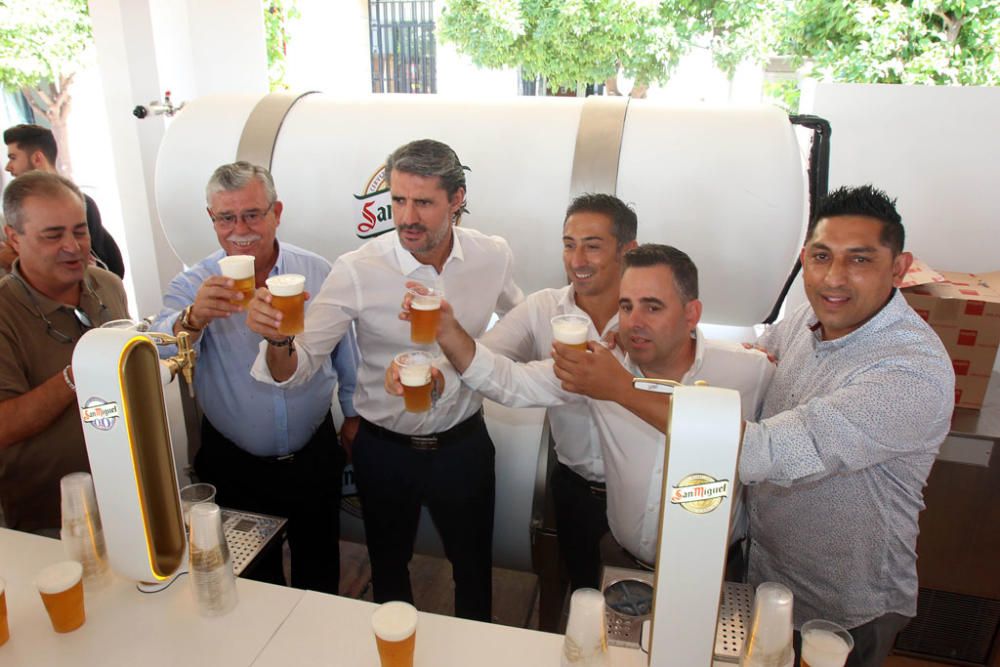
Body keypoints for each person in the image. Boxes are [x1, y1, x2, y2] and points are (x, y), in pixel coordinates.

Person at [247, 139, 524, 621]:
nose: (407, 217)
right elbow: (300, 363)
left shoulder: (492, 255)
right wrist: (277, 341)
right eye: (397, 200)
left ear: (457, 199)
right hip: (385, 451)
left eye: (423, 202)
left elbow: (521, 325)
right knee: (389, 571)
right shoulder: (358, 269)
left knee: (475, 570)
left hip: (464, 445)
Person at [410, 243, 773, 569]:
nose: (635, 322)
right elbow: (509, 384)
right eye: (626, 306)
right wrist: (447, 331)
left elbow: (780, 448)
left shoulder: (751, 372)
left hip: (717, 573)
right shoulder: (600, 366)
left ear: (692, 314)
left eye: (653, 307)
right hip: (619, 561)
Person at [737, 185, 955, 667]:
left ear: (899, 267)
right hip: (770, 576)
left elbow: (768, 454)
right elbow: (762, 357)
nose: (833, 278)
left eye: (860, 260)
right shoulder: (805, 319)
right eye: (821, 256)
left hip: (846, 606)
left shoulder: (910, 368)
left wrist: (625, 391)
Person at [149, 162, 359, 594]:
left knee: (319, 572)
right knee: (251, 585)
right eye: (226, 217)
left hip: (312, 453)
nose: (239, 229)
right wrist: (192, 318)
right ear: (211, 219)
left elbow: (346, 354)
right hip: (234, 461)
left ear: (276, 212)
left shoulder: (317, 272)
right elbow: (160, 349)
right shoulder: (195, 284)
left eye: (252, 214)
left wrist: (354, 417)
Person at [472, 193, 637, 592]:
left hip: (642, 492)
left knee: (641, 603)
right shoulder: (544, 308)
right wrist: (437, 366)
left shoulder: (650, 313)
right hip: (575, 488)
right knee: (582, 593)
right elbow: (485, 358)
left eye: (592, 246)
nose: (577, 260)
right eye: (569, 244)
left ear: (627, 251)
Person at [0, 171, 129, 533]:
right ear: (14, 238)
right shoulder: (5, 312)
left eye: (80, 230)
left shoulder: (107, 286)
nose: (73, 246)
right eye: (53, 235)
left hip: (130, 493)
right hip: (52, 520)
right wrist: (77, 375)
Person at [4, 124, 125, 278]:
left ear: (37, 158)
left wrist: (17, 260)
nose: (8, 167)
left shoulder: (79, 205)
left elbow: (105, 270)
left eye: (13, 157)